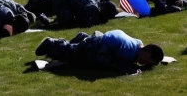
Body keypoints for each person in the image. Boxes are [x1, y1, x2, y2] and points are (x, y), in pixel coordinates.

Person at [35, 30, 164, 72]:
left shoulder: (138, 44)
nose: (143, 64)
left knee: (81, 52)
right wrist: (132, 68)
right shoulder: (130, 52)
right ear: (147, 54)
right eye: (147, 62)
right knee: (73, 57)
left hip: (103, 39)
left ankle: (83, 38)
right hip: (99, 45)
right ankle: (52, 43)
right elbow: (119, 65)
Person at [25, 0, 118, 27]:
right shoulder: (92, 7)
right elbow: (86, 23)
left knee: (48, 7)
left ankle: (37, 0)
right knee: (65, 22)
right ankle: (45, 20)